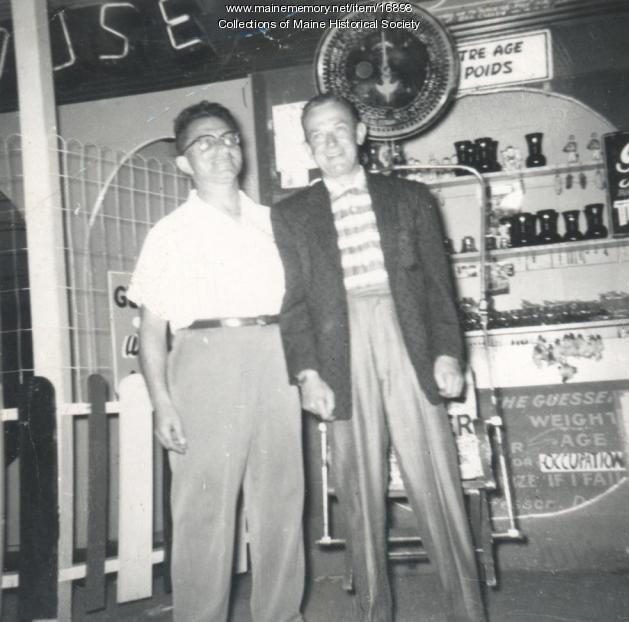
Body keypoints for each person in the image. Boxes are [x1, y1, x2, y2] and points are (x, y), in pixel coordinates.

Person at [271, 93, 486, 622]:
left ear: (362, 133)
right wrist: (306, 372)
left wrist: (447, 353)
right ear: (308, 148)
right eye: (318, 135)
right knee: (358, 488)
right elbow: (294, 304)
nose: (331, 142)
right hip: (339, 346)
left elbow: (440, 286)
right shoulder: (292, 214)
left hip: (407, 338)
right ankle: (373, 611)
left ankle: (467, 611)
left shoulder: (409, 197)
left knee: (436, 480)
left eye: (340, 129)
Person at [128, 101, 305, 622]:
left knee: (281, 501)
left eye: (227, 137)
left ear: (241, 148)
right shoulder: (169, 233)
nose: (219, 149)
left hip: (276, 359)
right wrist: (162, 402)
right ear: (184, 162)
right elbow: (151, 328)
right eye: (202, 142)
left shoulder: (275, 223)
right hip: (204, 362)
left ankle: (281, 615)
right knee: (203, 509)